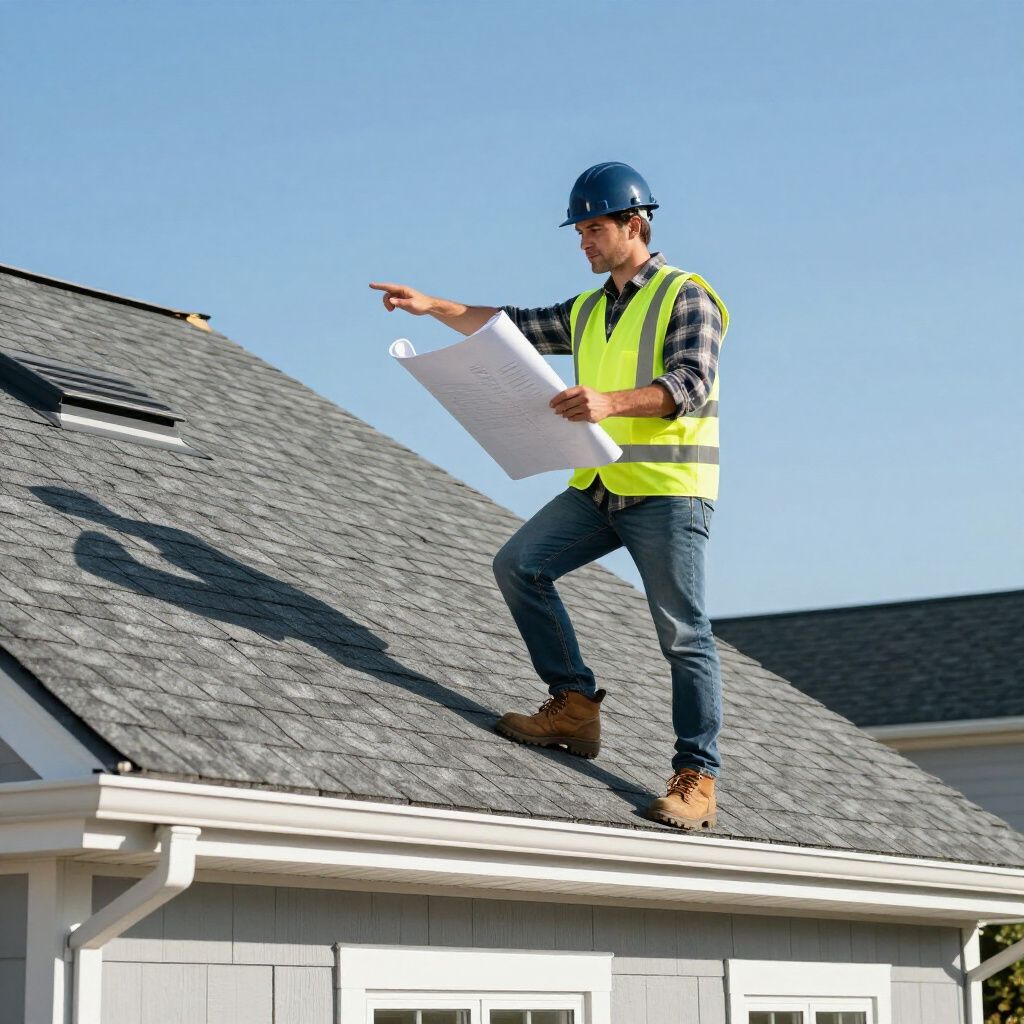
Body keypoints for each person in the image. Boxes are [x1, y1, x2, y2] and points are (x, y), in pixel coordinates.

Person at [369, 161, 729, 830]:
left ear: (635, 223)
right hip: (600, 485)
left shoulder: (686, 296)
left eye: (595, 228)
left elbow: (690, 385)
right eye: (580, 230)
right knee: (519, 565)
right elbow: (508, 326)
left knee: (683, 635)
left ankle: (697, 776)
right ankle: (573, 706)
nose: (585, 241)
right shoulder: (590, 309)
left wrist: (609, 401)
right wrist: (432, 306)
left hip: (669, 493)